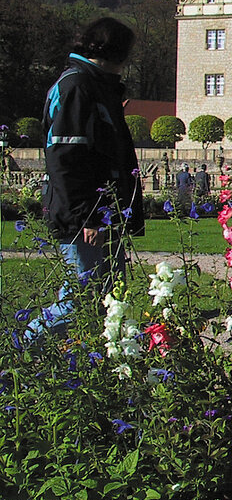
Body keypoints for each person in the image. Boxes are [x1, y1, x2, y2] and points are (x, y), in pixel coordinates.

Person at [33, 17, 144, 334]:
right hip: (88, 218)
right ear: (118, 54)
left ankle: (97, 369)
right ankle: (16, 351)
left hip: (104, 214)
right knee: (77, 301)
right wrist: (88, 218)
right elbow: (67, 160)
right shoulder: (78, 87)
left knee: (109, 299)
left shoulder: (93, 85)